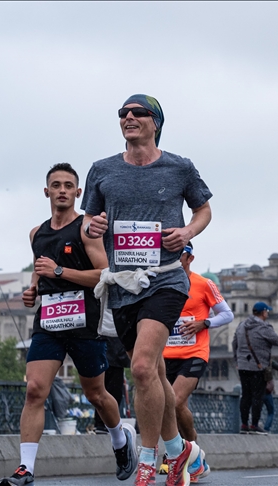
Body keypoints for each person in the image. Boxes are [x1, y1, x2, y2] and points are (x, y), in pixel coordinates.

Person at [82, 94, 213, 486]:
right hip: (122, 284)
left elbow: (203, 209)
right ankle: (181, 452)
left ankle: (147, 460)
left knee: (139, 367)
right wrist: (94, 228)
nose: (129, 118)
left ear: (155, 121)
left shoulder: (180, 167)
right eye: (123, 114)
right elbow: (89, 221)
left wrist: (187, 231)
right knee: (152, 372)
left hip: (166, 278)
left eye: (137, 113)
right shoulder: (101, 170)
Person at [0, 163, 138, 486]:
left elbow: (105, 275)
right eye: (56, 185)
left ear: (78, 192)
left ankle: (120, 440)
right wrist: (32, 289)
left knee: (96, 393)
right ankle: (26, 469)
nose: (62, 190)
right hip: (48, 321)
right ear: (46, 191)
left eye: (68, 185)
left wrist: (59, 272)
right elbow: (40, 268)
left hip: (83, 320)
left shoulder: (86, 228)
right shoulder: (37, 233)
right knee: (34, 390)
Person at [158, 242, 233, 480]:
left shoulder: (204, 284)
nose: (172, 261)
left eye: (177, 256)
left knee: (173, 401)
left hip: (194, 353)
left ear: (189, 259)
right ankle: (193, 455)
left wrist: (205, 323)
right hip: (165, 355)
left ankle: (176, 455)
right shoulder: (161, 284)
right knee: (177, 406)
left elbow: (227, 314)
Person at [233, 302, 278, 435]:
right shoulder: (264, 327)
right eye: (267, 312)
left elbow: (234, 344)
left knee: (245, 395)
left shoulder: (241, 325)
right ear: (263, 312)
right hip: (258, 367)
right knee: (257, 396)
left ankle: (244, 424)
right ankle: (254, 424)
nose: (267, 314)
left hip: (243, 366)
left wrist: (237, 360)